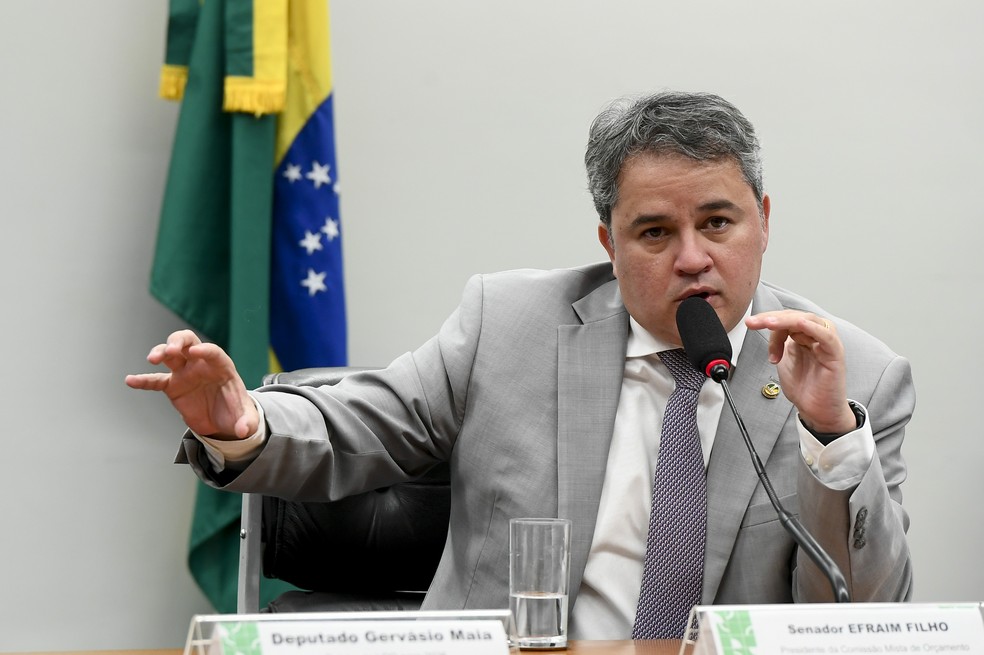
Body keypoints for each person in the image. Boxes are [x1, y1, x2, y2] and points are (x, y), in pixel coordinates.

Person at [127, 90, 913, 639]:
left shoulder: (854, 377)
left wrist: (829, 434)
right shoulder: (509, 324)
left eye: (718, 222)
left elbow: (865, 607)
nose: (693, 259)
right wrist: (243, 423)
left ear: (764, 222)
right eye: (654, 233)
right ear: (608, 243)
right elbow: (357, 422)